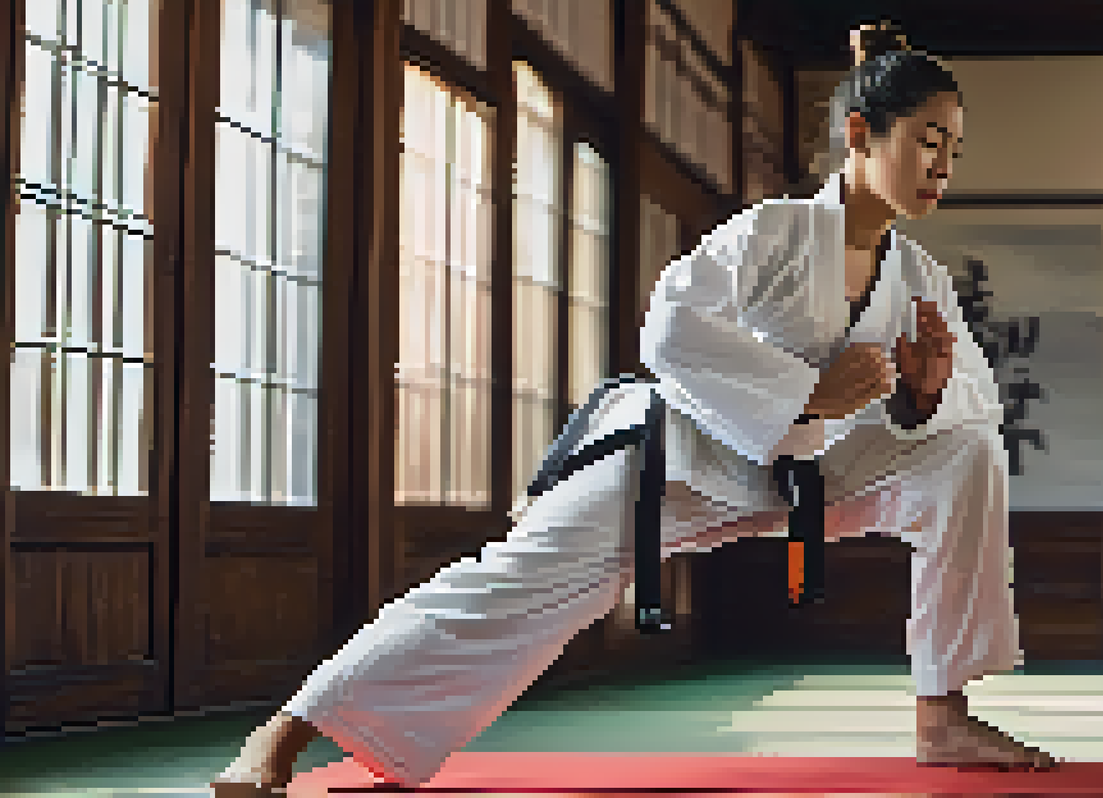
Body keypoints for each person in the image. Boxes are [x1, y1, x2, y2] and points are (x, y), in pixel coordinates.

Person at [210, 19, 1057, 796]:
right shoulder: (775, 232)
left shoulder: (919, 280)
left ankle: (942, 714)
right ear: (862, 135)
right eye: (928, 142)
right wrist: (809, 392)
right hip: (677, 461)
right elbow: (672, 328)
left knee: (965, 451)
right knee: (508, 585)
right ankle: (282, 734)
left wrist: (920, 395)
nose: (944, 165)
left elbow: (954, 419)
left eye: (955, 149)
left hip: (800, 476)